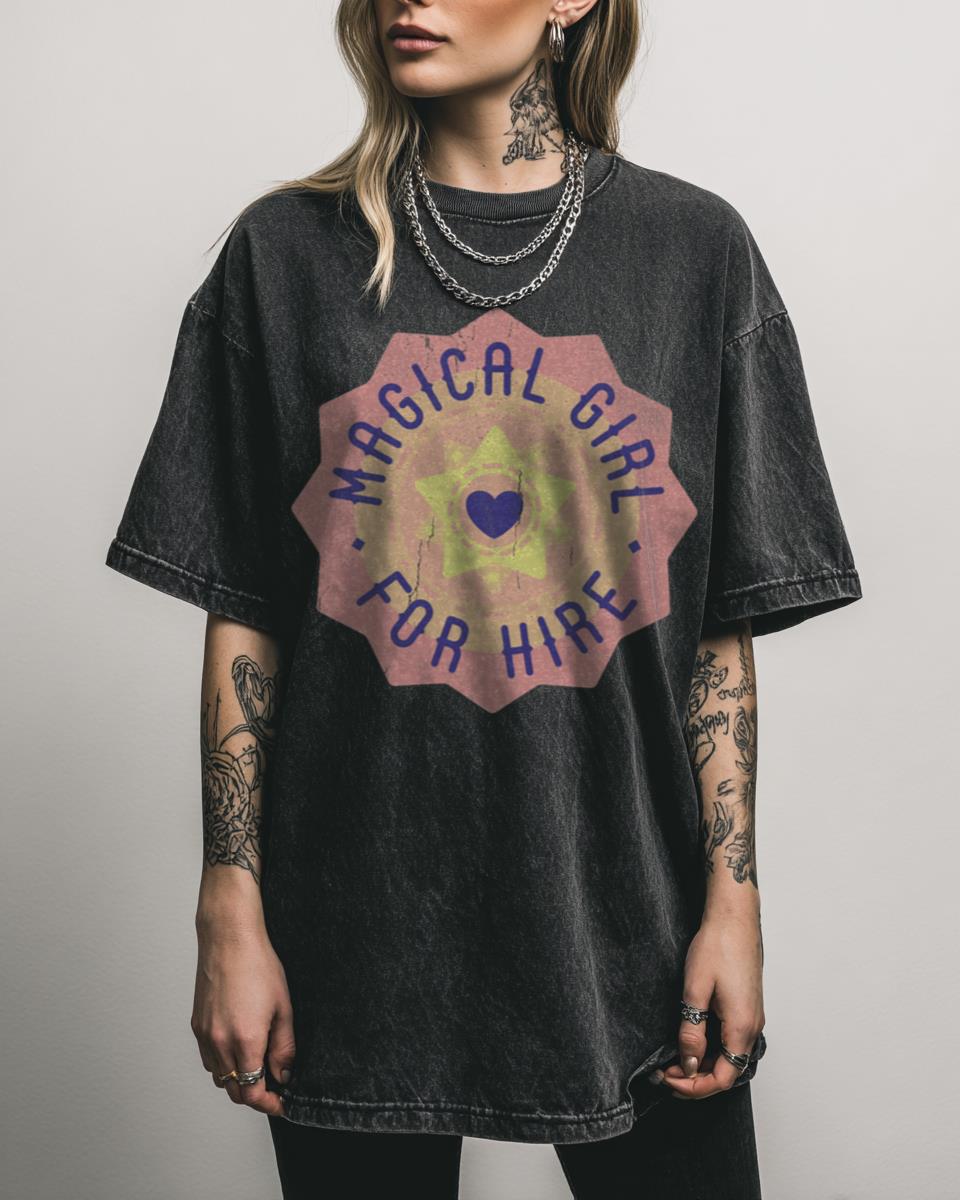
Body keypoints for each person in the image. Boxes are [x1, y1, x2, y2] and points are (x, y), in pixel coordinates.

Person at [104, 1, 863, 1196]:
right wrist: (229, 905)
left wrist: (735, 902)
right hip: (352, 931)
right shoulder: (283, 256)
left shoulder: (693, 253)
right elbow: (245, 610)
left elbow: (716, 633)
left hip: (631, 923)